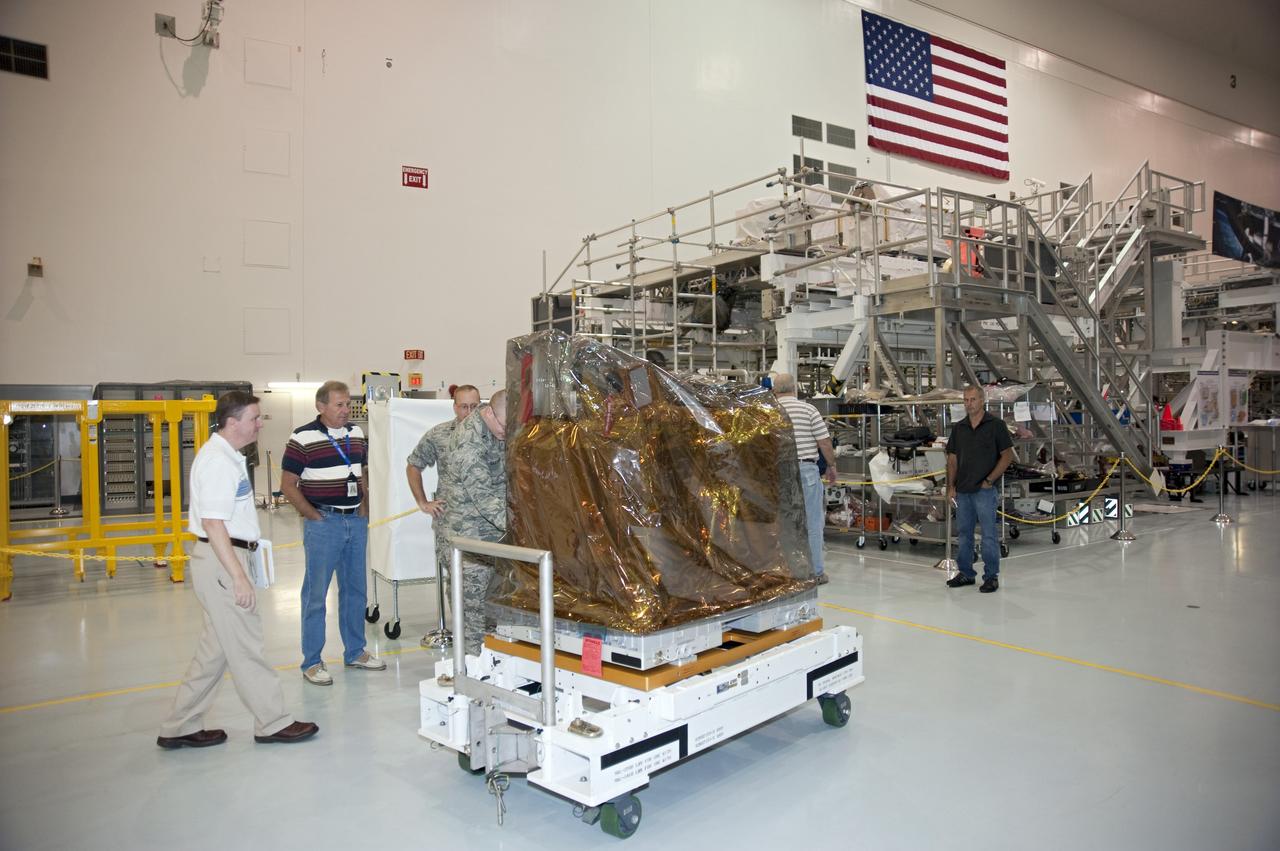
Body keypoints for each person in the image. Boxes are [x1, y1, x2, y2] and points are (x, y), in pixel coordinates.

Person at [157, 391, 318, 749]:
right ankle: (273, 721)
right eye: (255, 419)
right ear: (233, 423)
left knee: (214, 652)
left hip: (225, 558)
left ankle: (179, 725)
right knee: (247, 646)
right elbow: (214, 524)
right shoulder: (217, 461)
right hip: (223, 561)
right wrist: (239, 576)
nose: (260, 425)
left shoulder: (226, 456)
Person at [280, 380, 385, 685]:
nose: (346, 410)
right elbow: (288, 484)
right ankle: (312, 661)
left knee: (355, 591)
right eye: (339, 404)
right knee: (315, 595)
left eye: (348, 403)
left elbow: (361, 472)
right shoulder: (302, 437)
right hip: (324, 524)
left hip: (355, 521)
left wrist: (364, 507)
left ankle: (355, 651)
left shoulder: (357, 433)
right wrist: (313, 516)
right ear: (320, 406)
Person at [405, 383, 481, 646]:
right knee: (459, 585)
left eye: (475, 406)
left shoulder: (493, 433)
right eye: (464, 406)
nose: (469, 412)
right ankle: (464, 642)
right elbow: (413, 465)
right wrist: (423, 502)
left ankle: (488, 643)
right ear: (454, 407)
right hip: (453, 527)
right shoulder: (439, 435)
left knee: (491, 585)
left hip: (488, 528)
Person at [433, 390, 507, 654]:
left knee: (494, 607)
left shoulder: (496, 427)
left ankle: (494, 663)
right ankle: (472, 671)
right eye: (504, 427)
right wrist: (522, 529)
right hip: (467, 536)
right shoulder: (468, 441)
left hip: (492, 536)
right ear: (489, 413)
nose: (506, 434)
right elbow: (484, 498)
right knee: (471, 608)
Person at [945, 385, 1015, 593]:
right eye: (966, 400)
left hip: (984, 491)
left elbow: (1007, 455)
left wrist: (990, 479)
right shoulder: (959, 428)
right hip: (963, 491)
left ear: (982, 401)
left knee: (988, 535)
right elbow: (952, 460)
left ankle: (991, 576)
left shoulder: (996, 425)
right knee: (964, 534)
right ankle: (966, 573)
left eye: (973, 400)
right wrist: (950, 487)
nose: (969, 404)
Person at [771, 373, 837, 581]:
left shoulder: (769, 412)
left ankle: (787, 571)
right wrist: (831, 465)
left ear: (774, 390)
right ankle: (815, 572)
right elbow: (824, 442)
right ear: (795, 389)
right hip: (806, 470)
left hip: (780, 472)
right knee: (812, 523)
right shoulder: (809, 410)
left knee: (784, 522)